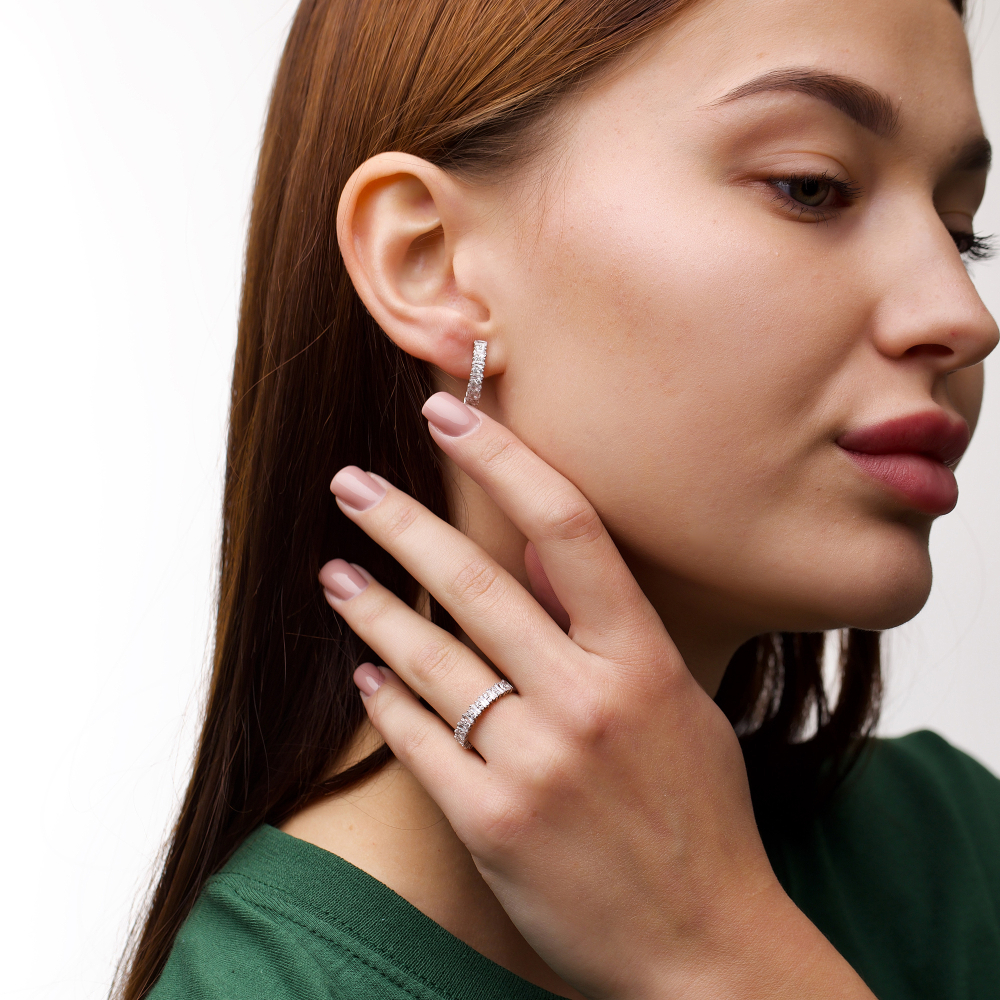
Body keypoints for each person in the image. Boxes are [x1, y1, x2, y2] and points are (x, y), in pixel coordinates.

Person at [117, 0, 1000, 996]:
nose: (962, 316)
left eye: (960, 232)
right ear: (430, 264)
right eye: (812, 186)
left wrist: (723, 949)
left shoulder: (952, 857)